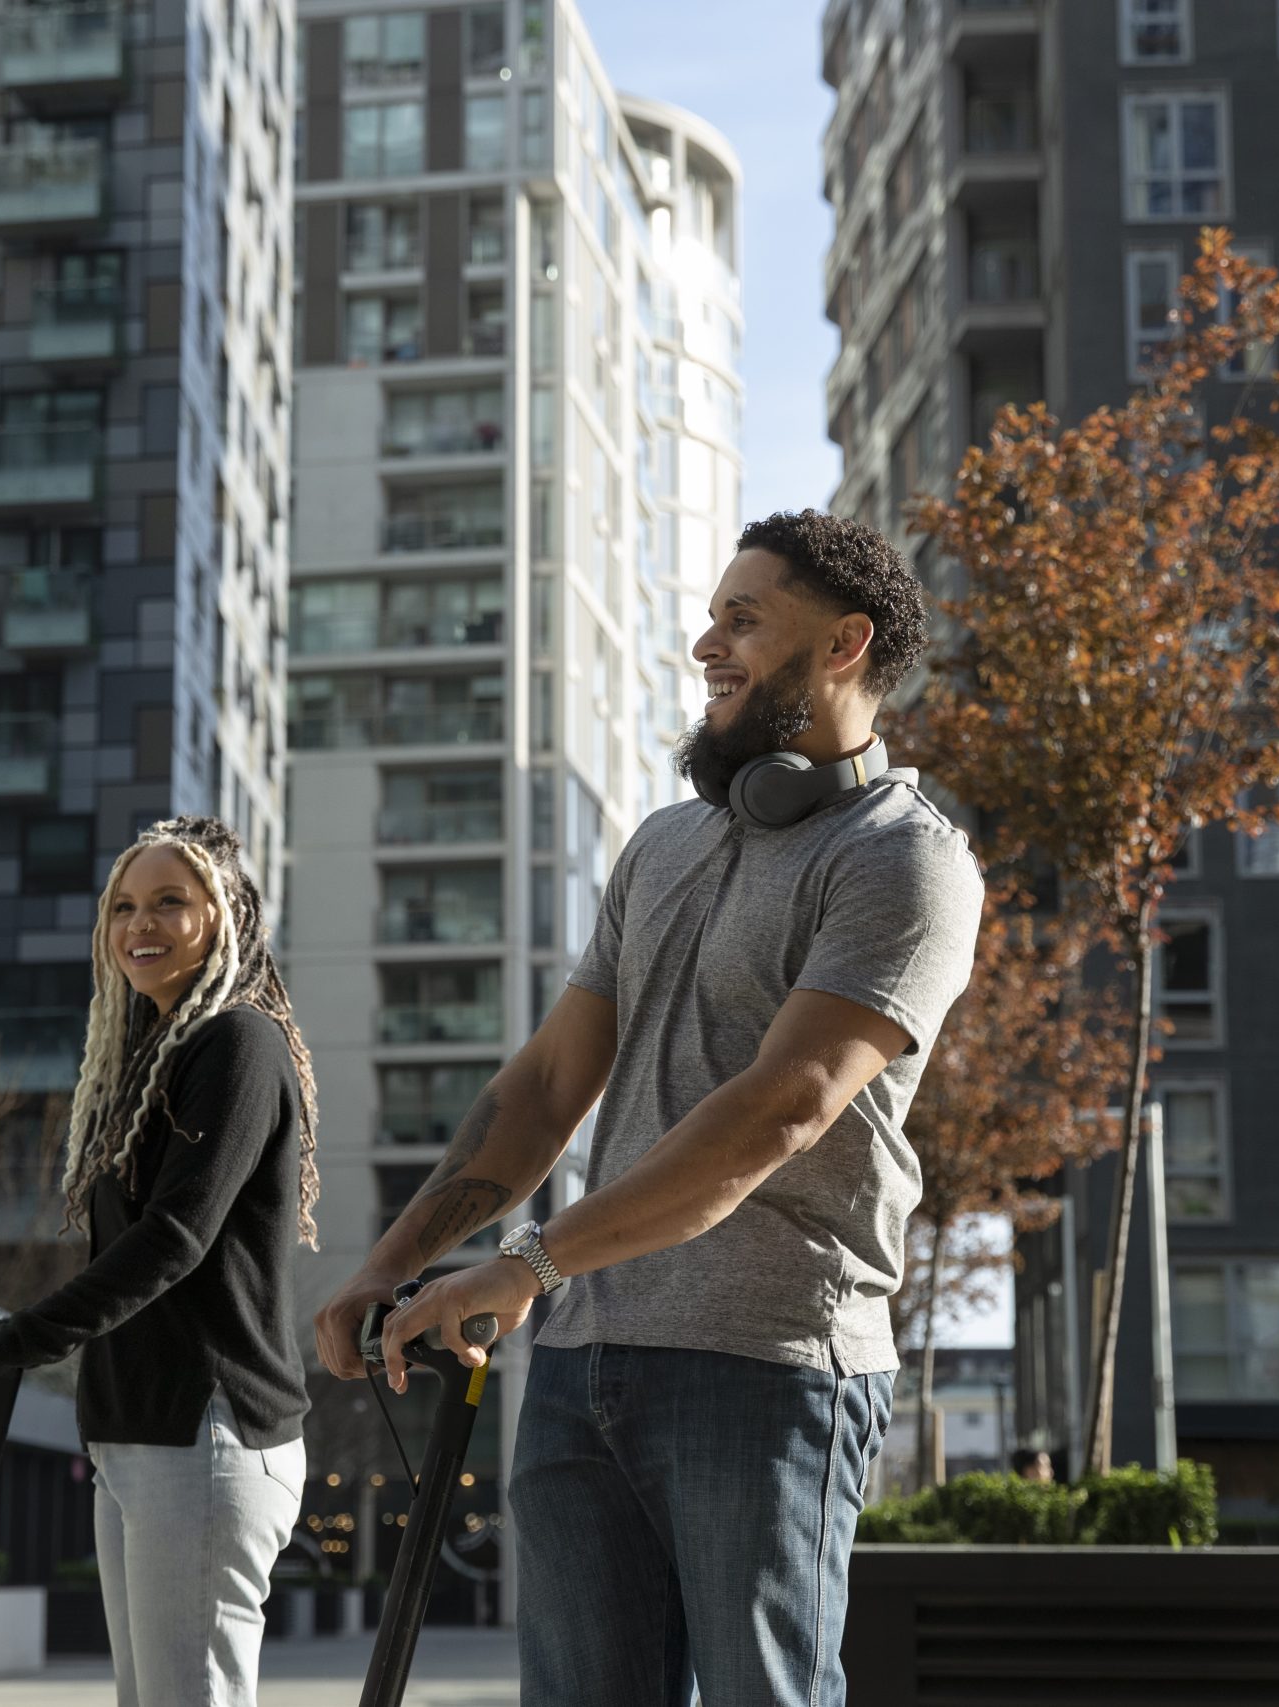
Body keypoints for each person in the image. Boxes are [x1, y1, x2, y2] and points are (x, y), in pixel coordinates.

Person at [315, 511, 983, 1707]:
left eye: (741, 618)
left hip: (770, 1366)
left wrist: (521, 1266)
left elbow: (777, 1114)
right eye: (710, 615)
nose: (704, 644)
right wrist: (397, 1263)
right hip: (582, 1359)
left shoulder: (904, 858)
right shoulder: (664, 845)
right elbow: (542, 1090)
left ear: (843, 644)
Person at [0, 816, 320, 1707]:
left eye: (170, 902)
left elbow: (172, 1241)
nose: (141, 923)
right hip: (138, 1437)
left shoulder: (237, 1044)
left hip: (208, 1432)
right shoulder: (154, 1058)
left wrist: (5, 1341)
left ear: (222, 915)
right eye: (125, 906)